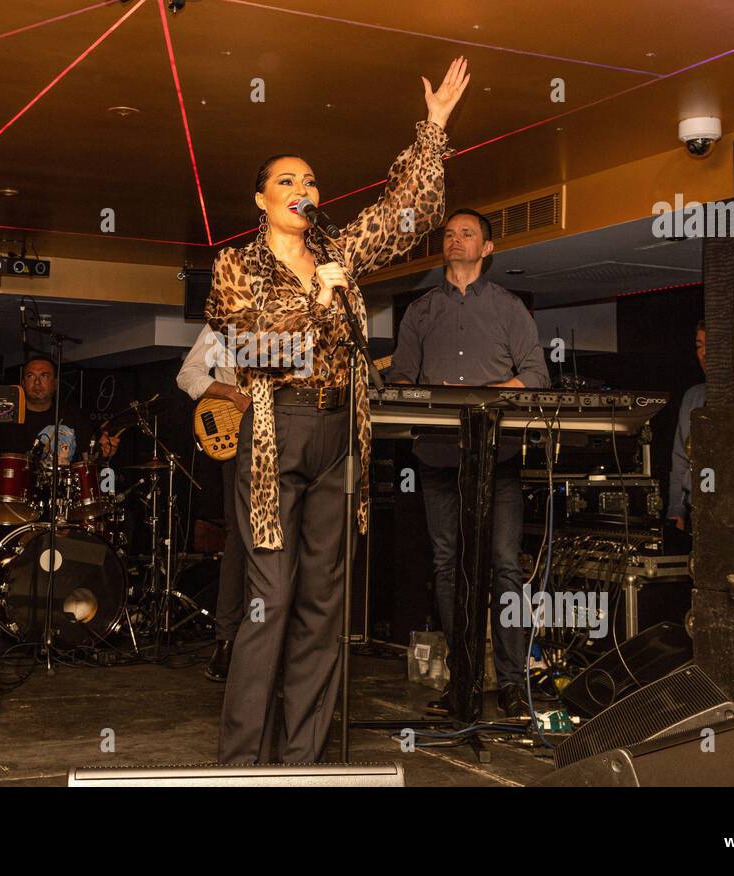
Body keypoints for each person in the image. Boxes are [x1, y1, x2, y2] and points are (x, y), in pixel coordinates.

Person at [208, 56, 469, 764]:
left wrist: (433, 128)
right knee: (270, 603)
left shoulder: (337, 250)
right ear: (261, 200)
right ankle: (242, 764)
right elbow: (255, 350)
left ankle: (302, 762)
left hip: (338, 430)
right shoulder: (236, 265)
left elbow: (404, 216)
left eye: (310, 179)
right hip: (276, 432)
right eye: (287, 180)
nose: (303, 187)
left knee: (326, 609)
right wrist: (319, 303)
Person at [389, 207, 551, 718]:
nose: (456, 240)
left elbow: (536, 377)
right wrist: (424, 395)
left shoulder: (508, 309)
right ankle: (461, 685)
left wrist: (479, 397)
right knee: (446, 567)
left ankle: (510, 684)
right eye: (450, 234)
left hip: (496, 459)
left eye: (467, 234)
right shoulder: (420, 310)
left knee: (504, 568)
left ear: (487, 248)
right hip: (436, 458)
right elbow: (401, 379)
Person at [176, 323, 249, 681]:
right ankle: (227, 639)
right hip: (239, 439)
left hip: (284, 439)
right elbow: (187, 375)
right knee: (239, 534)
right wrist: (230, 392)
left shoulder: (294, 316)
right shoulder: (222, 325)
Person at [667, 320, 707, 531]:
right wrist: (676, 511)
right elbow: (681, 459)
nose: (704, 353)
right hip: (697, 512)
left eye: (710, 345)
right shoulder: (693, 397)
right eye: (699, 346)